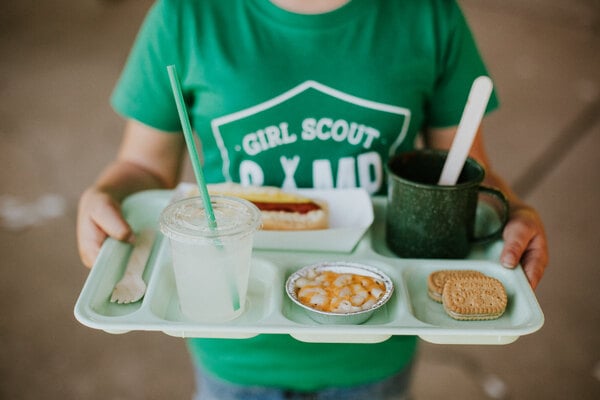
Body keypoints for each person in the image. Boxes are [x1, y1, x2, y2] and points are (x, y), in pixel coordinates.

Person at [77, 0, 549, 399]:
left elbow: (466, 170)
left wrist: (513, 211)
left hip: (378, 340)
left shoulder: (429, 14)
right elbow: (144, 166)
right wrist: (106, 196)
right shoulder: (186, 15)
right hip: (232, 342)